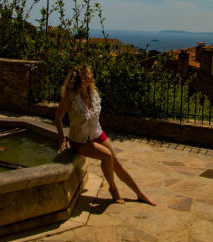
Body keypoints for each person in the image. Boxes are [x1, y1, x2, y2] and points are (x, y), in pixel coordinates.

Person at [55, 64, 156, 206]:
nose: (92, 76)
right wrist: (62, 139)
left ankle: (140, 194)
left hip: (97, 133)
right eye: (90, 74)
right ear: (83, 77)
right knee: (107, 156)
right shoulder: (70, 98)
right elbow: (58, 118)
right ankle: (113, 188)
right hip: (81, 140)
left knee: (117, 164)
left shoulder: (93, 94)